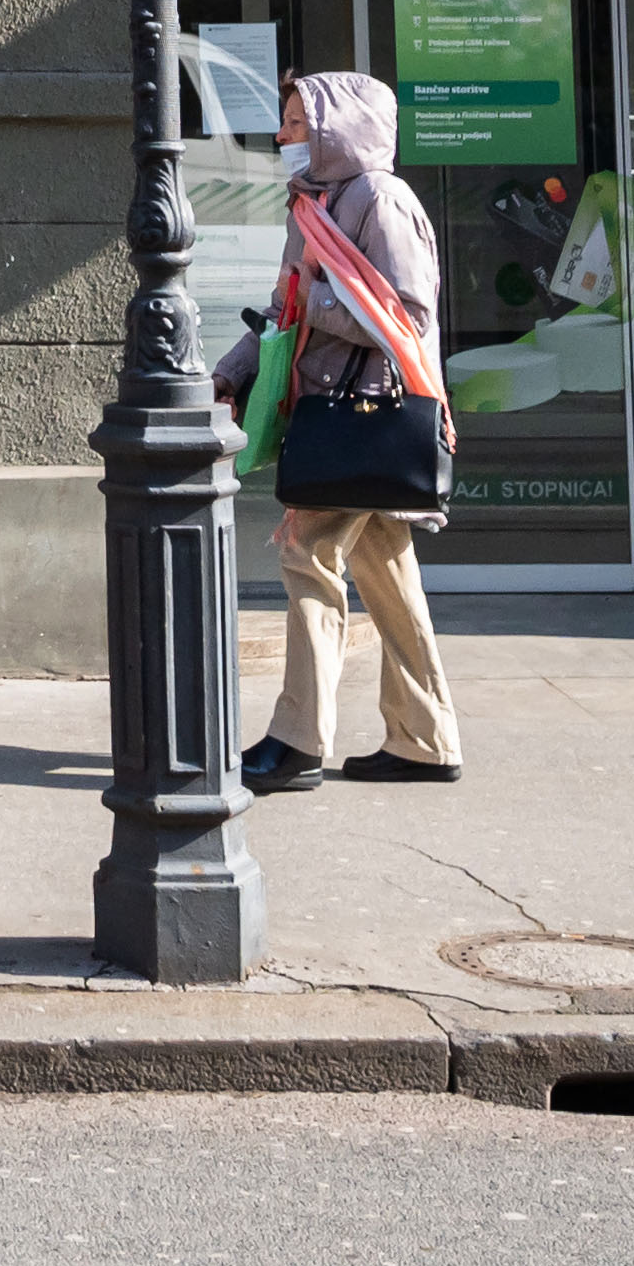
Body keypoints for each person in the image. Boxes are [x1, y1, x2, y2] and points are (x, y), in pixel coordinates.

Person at [217, 69, 464, 793]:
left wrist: (320, 296)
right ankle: (425, 738)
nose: (284, 135)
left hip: (365, 414)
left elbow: (406, 318)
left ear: (336, 129)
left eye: (298, 122)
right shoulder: (318, 204)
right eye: (289, 122)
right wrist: (232, 374)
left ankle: (297, 742)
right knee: (387, 574)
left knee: (307, 558)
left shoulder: (381, 200)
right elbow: (281, 312)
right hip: (338, 410)